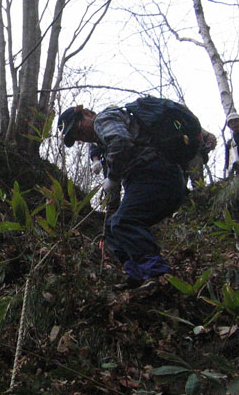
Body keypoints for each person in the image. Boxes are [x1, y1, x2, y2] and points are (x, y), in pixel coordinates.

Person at [58, 103, 188, 287]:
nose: (83, 137)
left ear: (86, 113)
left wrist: (112, 177)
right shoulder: (101, 143)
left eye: (79, 130)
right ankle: (137, 275)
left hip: (157, 174)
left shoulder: (103, 119)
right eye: (77, 137)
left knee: (124, 223)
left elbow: (120, 142)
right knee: (112, 229)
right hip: (149, 181)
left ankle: (158, 274)